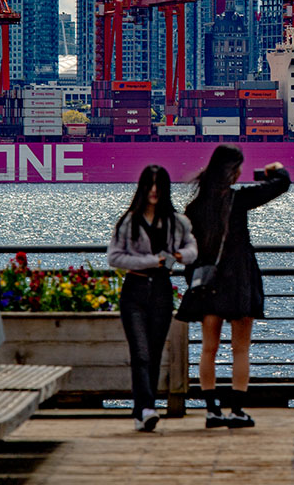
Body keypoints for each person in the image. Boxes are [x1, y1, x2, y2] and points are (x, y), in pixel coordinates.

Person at [178, 144, 289, 429]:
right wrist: (274, 170)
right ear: (234, 171)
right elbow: (282, 183)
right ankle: (237, 410)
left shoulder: (195, 206)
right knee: (240, 350)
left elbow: (188, 249)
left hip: (209, 284)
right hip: (239, 281)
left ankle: (212, 411)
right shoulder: (239, 200)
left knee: (208, 349)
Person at [107, 164, 198, 433]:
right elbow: (114, 257)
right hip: (134, 289)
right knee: (141, 353)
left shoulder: (176, 222)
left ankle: (142, 411)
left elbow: (192, 248)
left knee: (156, 353)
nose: (155, 190)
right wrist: (151, 260)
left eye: (159, 185)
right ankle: (147, 408)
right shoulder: (129, 221)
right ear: (142, 187)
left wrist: (180, 256)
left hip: (161, 290)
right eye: (150, 184)